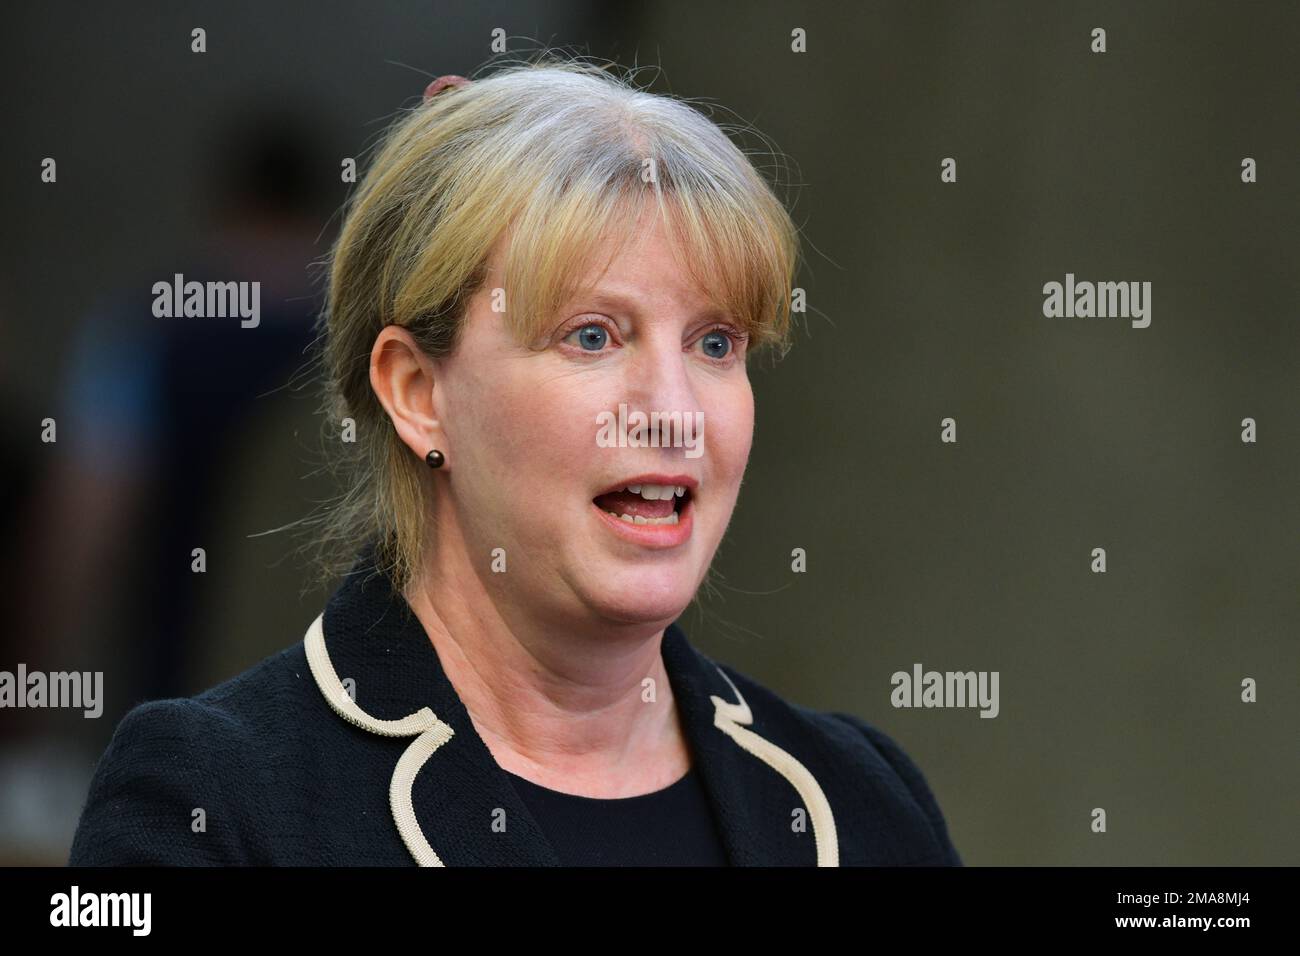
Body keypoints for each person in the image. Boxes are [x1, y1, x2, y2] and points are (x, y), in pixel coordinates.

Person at [68, 57, 962, 867]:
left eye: (716, 342)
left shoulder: (861, 797)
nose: (675, 411)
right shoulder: (216, 803)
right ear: (418, 392)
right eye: (591, 335)